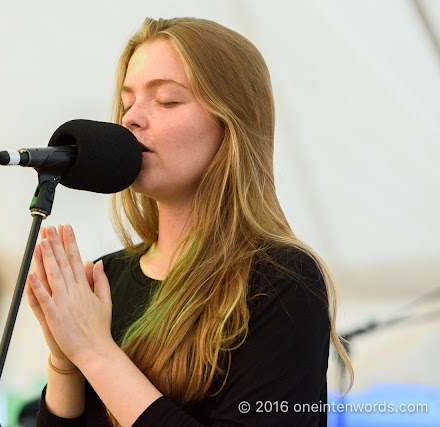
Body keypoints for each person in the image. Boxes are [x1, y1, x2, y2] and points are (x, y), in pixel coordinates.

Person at [25, 17, 353, 426]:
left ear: (231, 124)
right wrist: (65, 360)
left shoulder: (282, 280)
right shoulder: (106, 277)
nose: (131, 119)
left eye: (166, 100)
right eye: (127, 102)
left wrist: (94, 352)